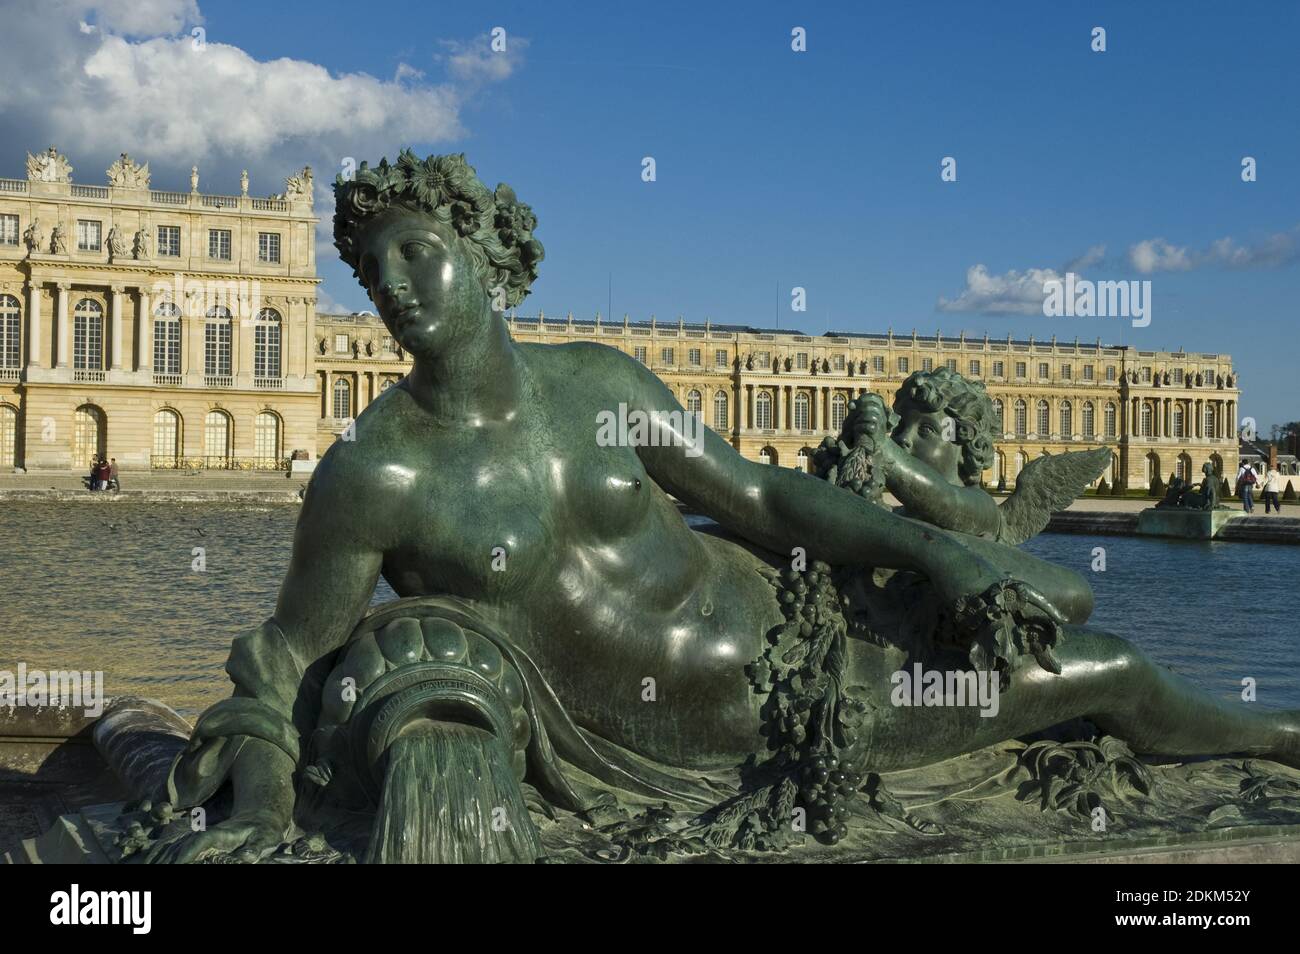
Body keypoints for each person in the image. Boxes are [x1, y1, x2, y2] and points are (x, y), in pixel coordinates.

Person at [148, 151, 1300, 862]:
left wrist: (930, 553)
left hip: (789, 623)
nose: (393, 289)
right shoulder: (376, 470)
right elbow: (284, 665)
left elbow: (759, 497)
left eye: (415, 253)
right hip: (737, 722)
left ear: (488, 254)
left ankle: (1264, 734)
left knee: (1073, 614)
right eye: (370, 274)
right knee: (1098, 676)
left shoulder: (597, 383)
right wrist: (256, 805)